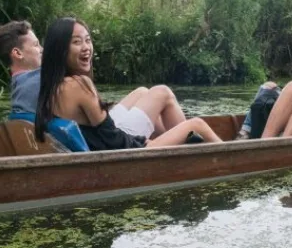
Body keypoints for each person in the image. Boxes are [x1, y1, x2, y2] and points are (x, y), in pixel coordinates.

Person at [34, 17, 224, 150]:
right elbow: (112, 139)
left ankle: (177, 142)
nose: (86, 48)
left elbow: (101, 132)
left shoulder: (52, 85)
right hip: (121, 150)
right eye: (77, 42)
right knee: (196, 123)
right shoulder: (79, 84)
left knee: (143, 92)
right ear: (60, 50)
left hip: (101, 143)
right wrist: (143, 142)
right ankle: (190, 153)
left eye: (88, 40)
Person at [0, 20, 43, 114]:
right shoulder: (43, 78)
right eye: (36, 45)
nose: (42, 49)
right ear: (18, 53)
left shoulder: (18, 86)